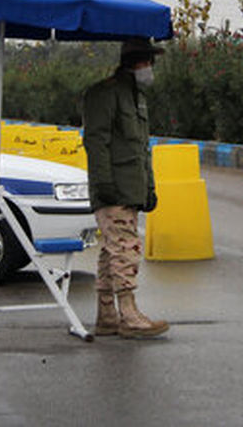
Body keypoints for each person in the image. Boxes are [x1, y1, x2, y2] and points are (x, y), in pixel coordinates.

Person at [82, 37, 169, 339]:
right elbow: (96, 141)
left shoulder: (135, 96)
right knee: (125, 250)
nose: (150, 67)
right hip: (113, 189)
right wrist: (104, 183)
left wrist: (149, 188)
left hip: (130, 188)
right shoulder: (105, 95)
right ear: (135, 62)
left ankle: (107, 316)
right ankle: (129, 314)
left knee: (110, 252)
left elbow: (140, 148)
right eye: (147, 61)